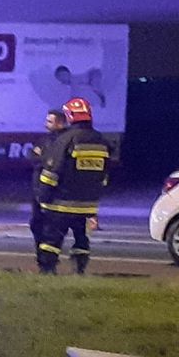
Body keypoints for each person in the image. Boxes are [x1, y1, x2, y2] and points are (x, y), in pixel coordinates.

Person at [34, 97, 112, 274]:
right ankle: (79, 269)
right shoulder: (101, 141)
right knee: (81, 238)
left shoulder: (65, 139)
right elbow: (104, 174)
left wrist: (43, 195)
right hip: (87, 204)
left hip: (62, 202)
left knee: (51, 239)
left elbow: (52, 171)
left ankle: (47, 271)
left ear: (70, 117)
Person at [28, 108, 65, 249]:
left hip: (56, 190)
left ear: (60, 123)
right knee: (36, 223)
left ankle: (49, 256)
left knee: (52, 226)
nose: (46, 124)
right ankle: (41, 252)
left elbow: (59, 163)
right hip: (38, 188)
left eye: (50, 121)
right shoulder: (43, 140)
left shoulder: (66, 141)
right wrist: (47, 161)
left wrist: (46, 161)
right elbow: (33, 157)